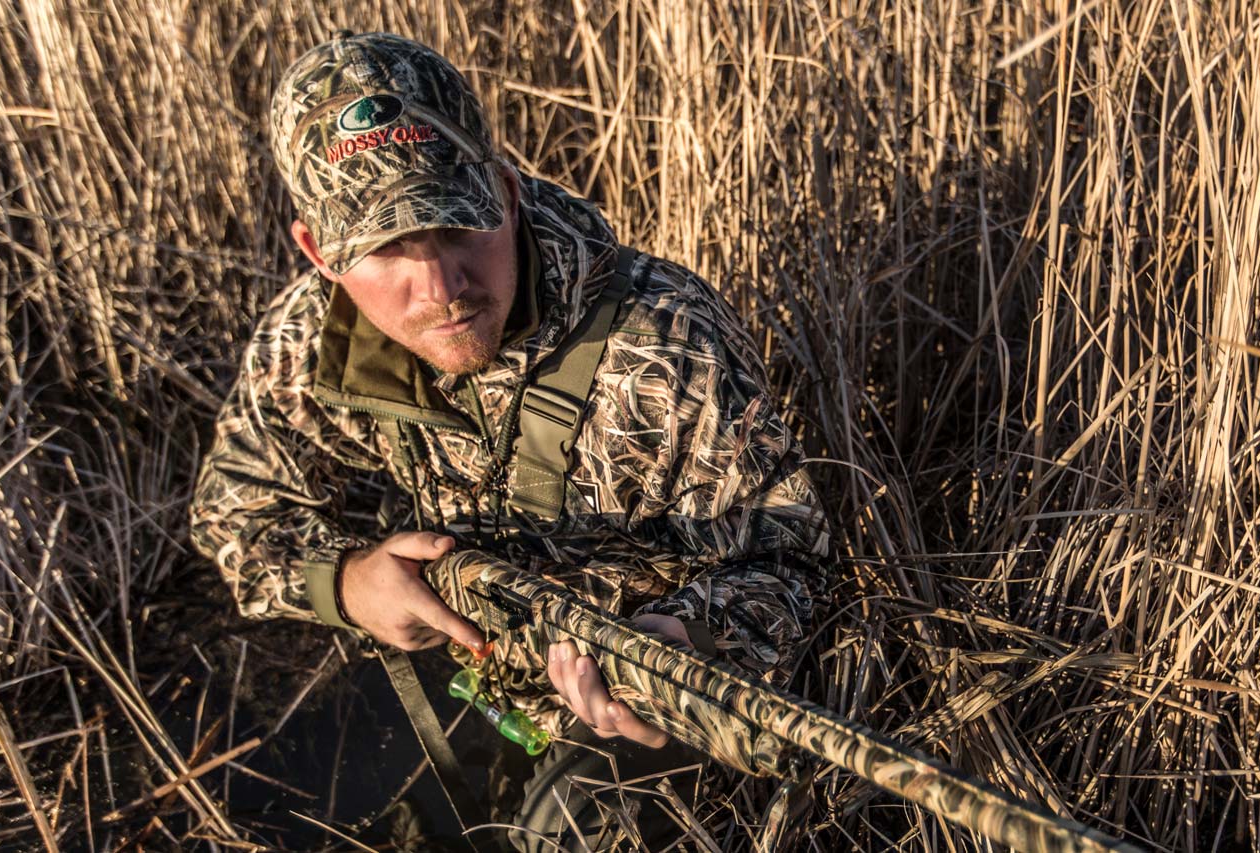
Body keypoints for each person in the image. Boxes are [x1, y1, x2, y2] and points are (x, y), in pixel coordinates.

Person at [188, 31, 831, 851]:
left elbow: (792, 560)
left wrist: (682, 643)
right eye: (387, 249)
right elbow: (234, 518)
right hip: (465, 683)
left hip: (633, 709)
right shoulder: (308, 344)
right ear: (319, 252)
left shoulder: (662, 334)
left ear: (506, 191)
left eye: (458, 226)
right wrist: (351, 584)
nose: (444, 289)